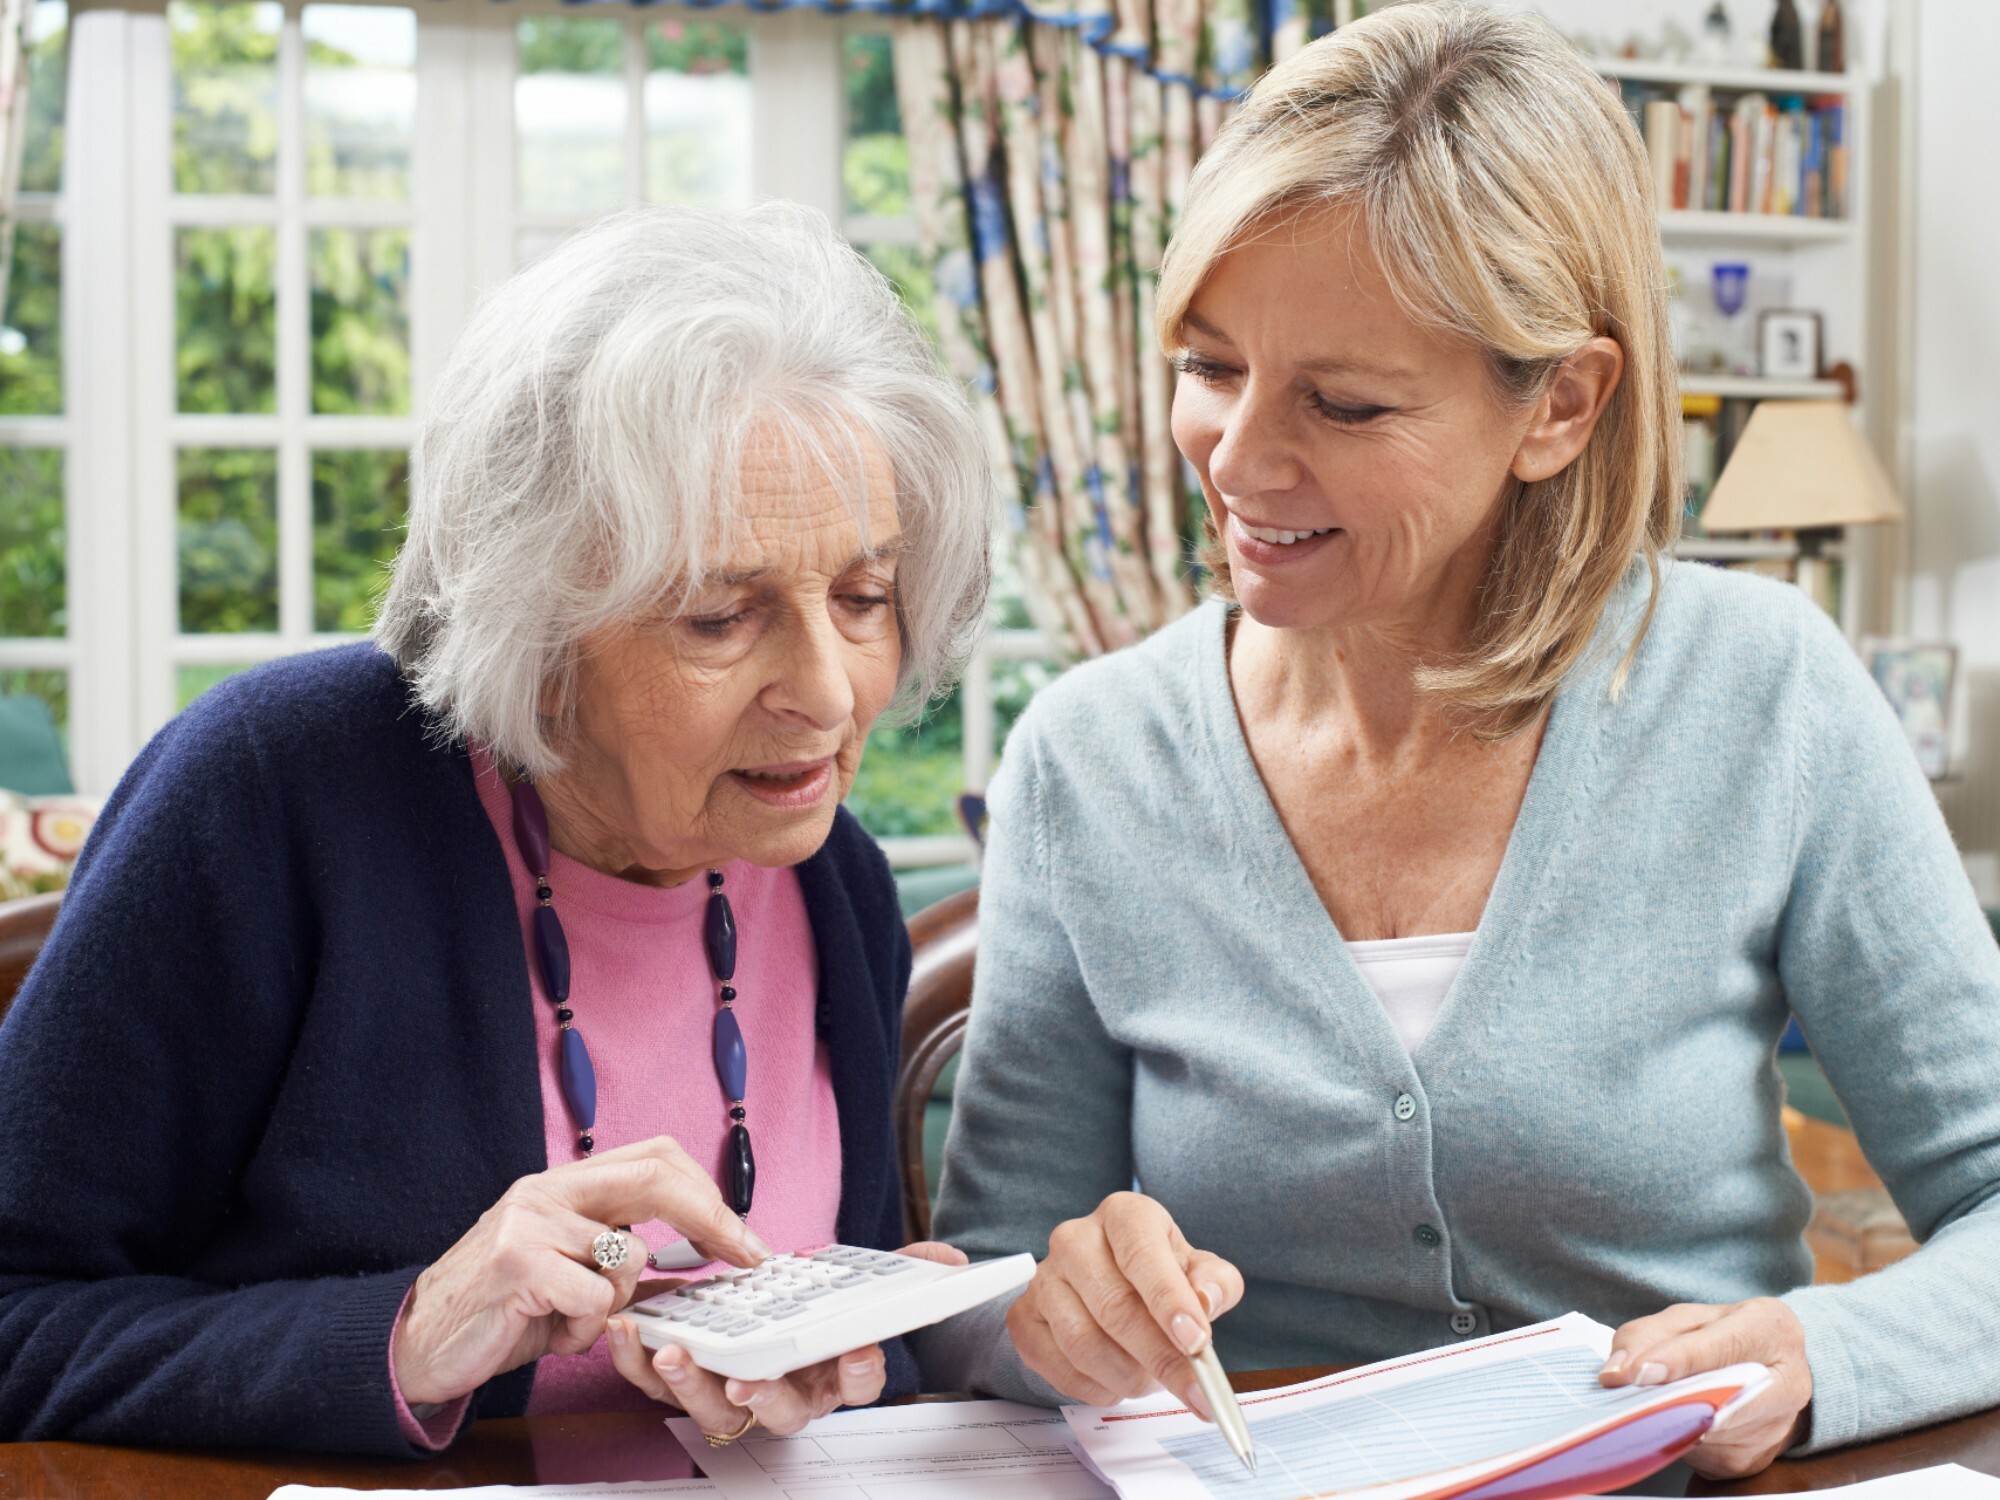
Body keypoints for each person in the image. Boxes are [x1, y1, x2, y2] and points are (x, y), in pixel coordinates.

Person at [915, 1, 2000, 1479]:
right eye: (1210, 364)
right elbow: (983, 1282)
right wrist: (1049, 1317)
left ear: (1560, 403)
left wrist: (1831, 1352)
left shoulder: (1768, 696)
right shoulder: (1086, 760)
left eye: (1343, 404)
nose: (1234, 461)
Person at [0, 204, 991, 1454]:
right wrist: (413, 1333)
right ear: (539, 632)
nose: (832, 692)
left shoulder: (828, 874)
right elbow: (18, 1317)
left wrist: (835, 1369)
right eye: (719, 618)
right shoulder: (271, 793)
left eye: (863, 597)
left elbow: (821, 1365)